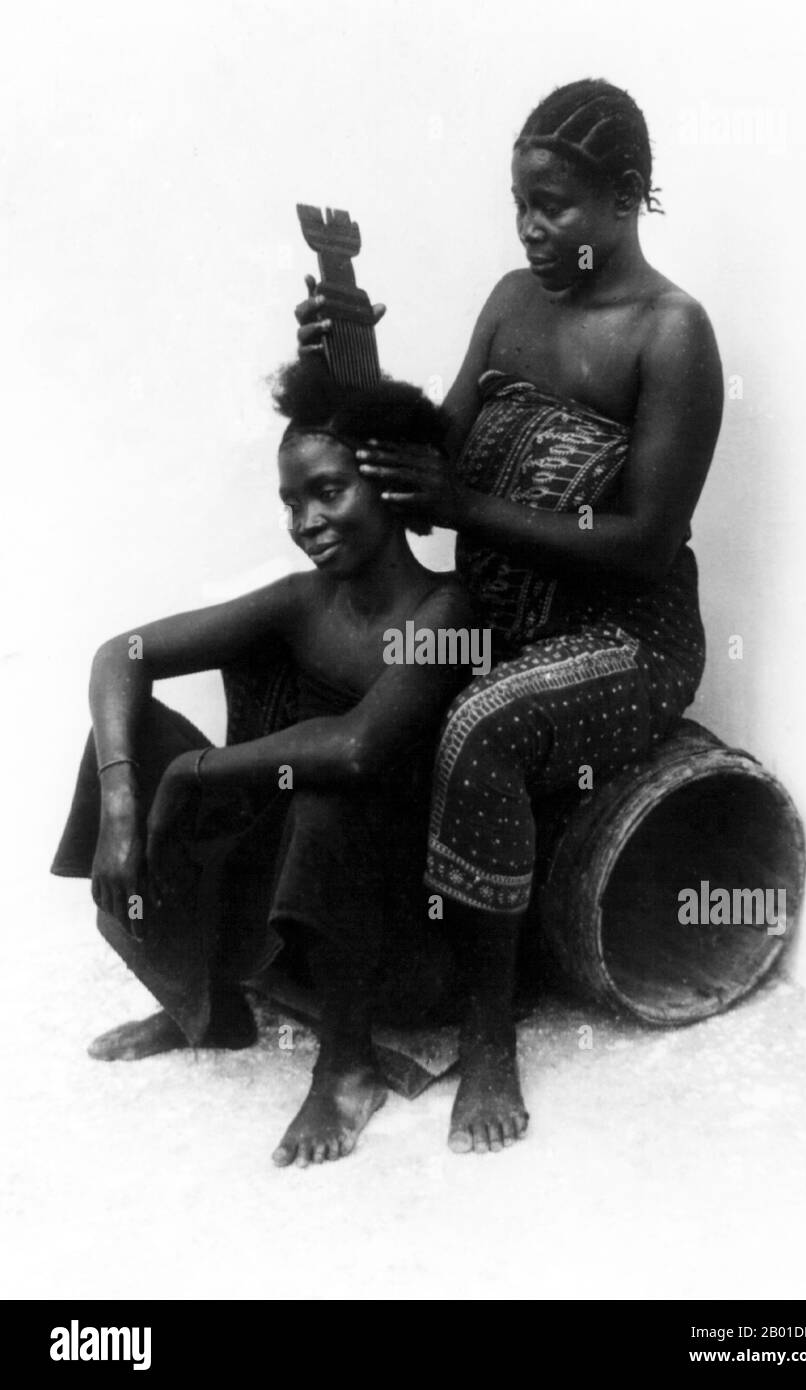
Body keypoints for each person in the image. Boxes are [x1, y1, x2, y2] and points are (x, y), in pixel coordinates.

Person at [298, 78, 724, 1155]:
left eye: (557, 207)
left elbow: (640, 538)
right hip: (497, 618)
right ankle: (291, 989)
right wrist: (339, 347)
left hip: (626, 639)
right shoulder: (510, 300)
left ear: (626, 198)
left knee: (480, 722)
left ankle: (490, 1032)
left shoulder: (671, 335)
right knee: (332, 670)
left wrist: (465, 506)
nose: (533, 230)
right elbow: (422, 461)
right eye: (521, 205)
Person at [51, 358, 475, 1167]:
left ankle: (347, 1065)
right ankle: (204, 1000)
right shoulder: (302, 599)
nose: (306, 520)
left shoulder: (449, 609)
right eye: (290, 501)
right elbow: (123, 653)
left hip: (397, 922)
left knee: (324, 788)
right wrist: (121, 800)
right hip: (287, 883)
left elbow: (359, 746)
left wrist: (196, 774)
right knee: (131, 738)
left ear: (389, 486)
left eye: (328, 491)